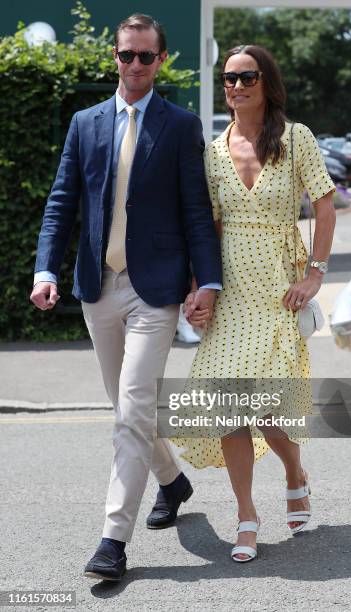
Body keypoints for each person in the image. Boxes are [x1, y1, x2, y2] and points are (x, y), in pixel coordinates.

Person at [30, 13, 222, 581]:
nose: (133, 65)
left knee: (133, 408)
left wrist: (206, 281)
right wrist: (46, 268)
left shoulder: (182, 125)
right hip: (98, 286)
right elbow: (62, 202)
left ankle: (113, 539)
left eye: (144, 56)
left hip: (154, 292)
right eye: (124, 55)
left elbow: (195, 211)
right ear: (113, 57)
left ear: (161, 60)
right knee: (128, 410)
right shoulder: (85, 122)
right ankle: (173, 480)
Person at [174, 45, 336, 563]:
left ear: (267, 83)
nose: (237, 86)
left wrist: (316, 273)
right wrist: (201, 288)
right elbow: (210, 227)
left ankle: (294, 471)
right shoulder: (215, 149)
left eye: (247, 77)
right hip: (233, 290)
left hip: (278, 288)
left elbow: (326, 205)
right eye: (229, 78)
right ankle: (246, 515)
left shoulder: (296, 138)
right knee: (224, 407)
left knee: (268, 409)